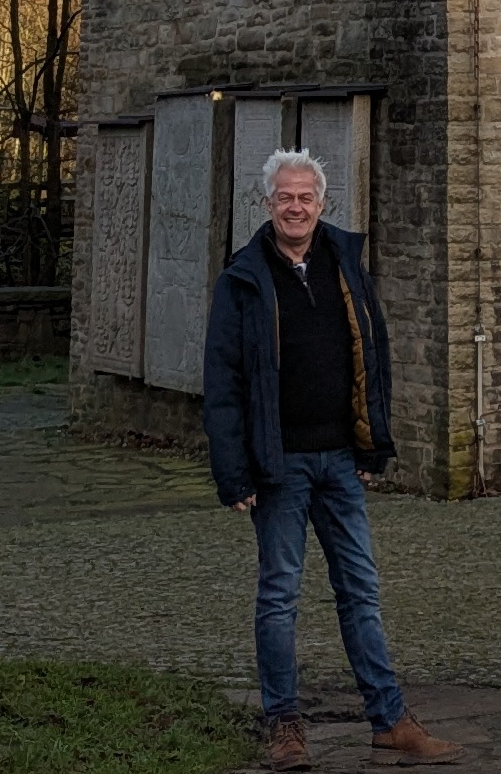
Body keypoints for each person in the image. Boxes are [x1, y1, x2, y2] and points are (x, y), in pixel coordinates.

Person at [203, 149, 465, 770]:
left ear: (322, 204)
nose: (296, 207)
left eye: (306, 197)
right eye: (285, 198)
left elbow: (374, 357)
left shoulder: (345, 264)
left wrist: (373, 444)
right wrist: (233, 472)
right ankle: (285, 727)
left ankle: (390, 720)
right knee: (279, 595)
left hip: (341, 461)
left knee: (361, 592)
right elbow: (223, 382)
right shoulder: (243, 278)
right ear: (267, 205)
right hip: (279, 465)